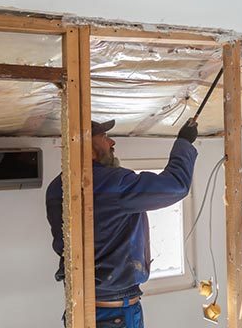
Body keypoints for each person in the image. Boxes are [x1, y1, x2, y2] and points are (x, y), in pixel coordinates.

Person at [46, 117, 199, 327]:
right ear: (88, 148)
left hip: (81, 307)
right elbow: (175, 186)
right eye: (104, 137)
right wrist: (184, 142)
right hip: (114, 314)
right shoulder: (112, 183)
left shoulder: (56, 188)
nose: (112, 143)